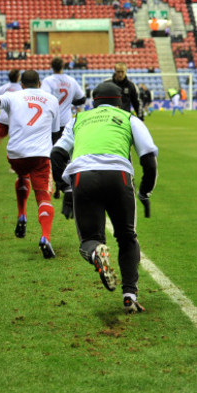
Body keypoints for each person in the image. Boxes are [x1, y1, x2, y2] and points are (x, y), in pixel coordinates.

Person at [50, 82, 158, 313]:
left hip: (83, 177)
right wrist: (144, 192)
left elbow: (57, 154)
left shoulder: (78, 119)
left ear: (94, 101)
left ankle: (95, 253)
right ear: (120, 100)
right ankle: (129, 295)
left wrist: (65, 188)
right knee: (127, 237)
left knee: (89, 240)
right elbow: (148, 159)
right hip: (118, 176)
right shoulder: (129, 118)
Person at [0, 70, 60, 258]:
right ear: (39, 83)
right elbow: (56, 134)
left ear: (21, 84)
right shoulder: (51, 99)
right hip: (40, 157)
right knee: (43, 196)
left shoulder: (11, 96)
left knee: (22, 175)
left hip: (15, 156)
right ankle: (45, 237)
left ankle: (22, 213)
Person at [41, 57, 87, 198]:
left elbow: (45, 98)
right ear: (63, 66)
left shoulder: (48, 81)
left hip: (52, 123)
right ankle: (69, 182)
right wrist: (69, 102)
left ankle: (56, 186)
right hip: (67, 123)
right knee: (66, 154)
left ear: (52, 66)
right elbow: (82, 99)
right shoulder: (71, 80)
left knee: (53, 154)